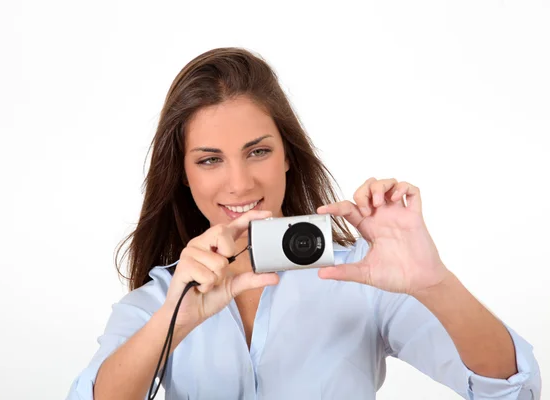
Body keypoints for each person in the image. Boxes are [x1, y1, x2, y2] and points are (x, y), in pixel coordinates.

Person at [66, 48, 541, 400]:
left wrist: (436, 284)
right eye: (210, 160)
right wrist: (176, 320)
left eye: (258, 151)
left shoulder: (360, 275)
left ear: (288, 156)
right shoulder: (159, 301)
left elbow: (515, 391)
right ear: (184, 178)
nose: (239, 183)